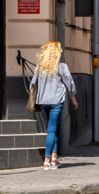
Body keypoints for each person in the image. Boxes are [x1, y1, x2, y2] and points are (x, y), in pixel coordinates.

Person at [30, 41, 78, 170]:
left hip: (43, 101)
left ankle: (54, 158)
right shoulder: (61, 66)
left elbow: (32, 85)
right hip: (56, 101)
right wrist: (73, 98)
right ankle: (47, 160)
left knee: (52, 128)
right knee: (52, 129)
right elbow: (69, 83)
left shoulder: (40, 67)